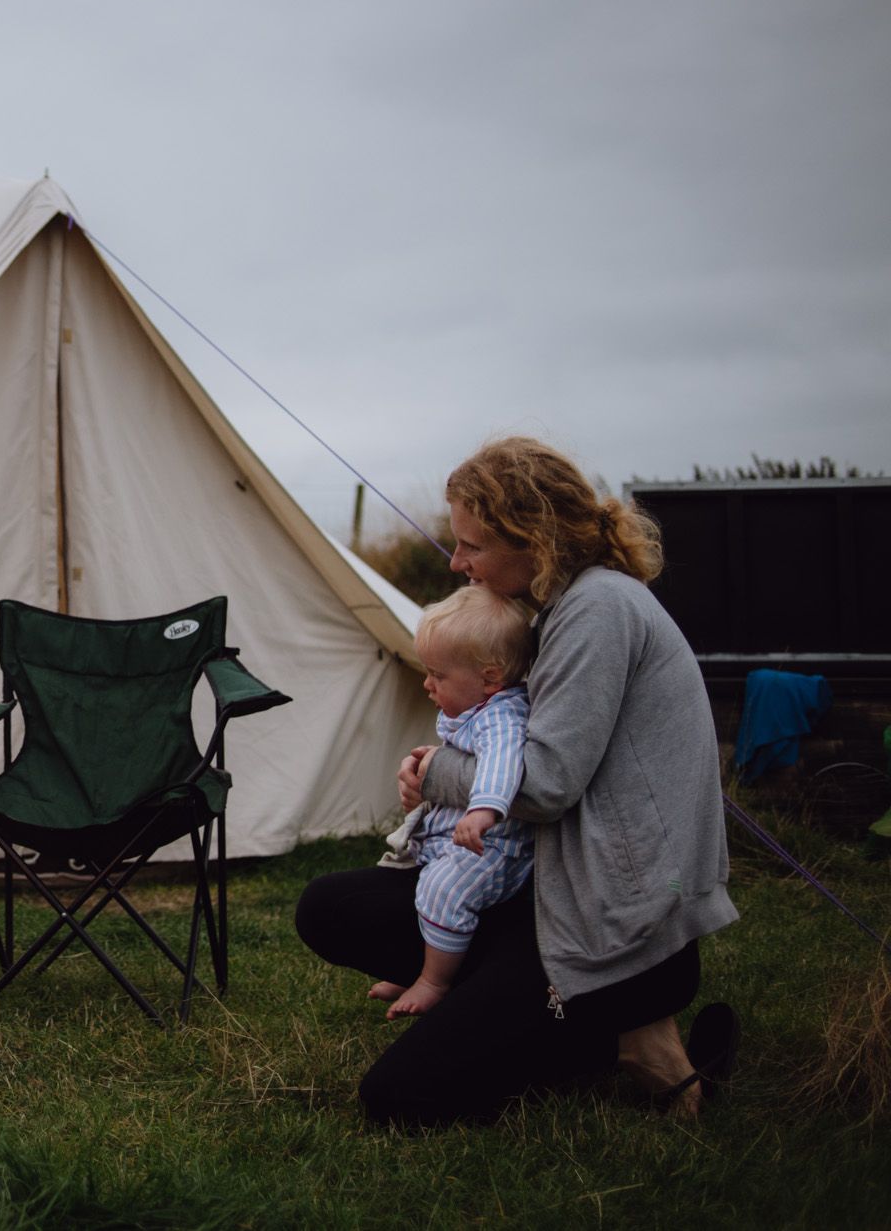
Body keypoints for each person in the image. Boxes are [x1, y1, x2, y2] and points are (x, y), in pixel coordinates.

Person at [294, 436, 740, 1125]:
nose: (457, 560)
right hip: (551, 890)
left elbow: (545, 784)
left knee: (398, 1099)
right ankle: (573, 1024)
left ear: (531, 536)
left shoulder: (597, 611)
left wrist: (438, 771)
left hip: (616, 928)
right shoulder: (563, 606)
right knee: (328, 904)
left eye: (471, 544)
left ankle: (617, 1026)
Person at [369, 585, 537, 1019]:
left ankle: (435, 981)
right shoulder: (478, 707)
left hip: (494, 846)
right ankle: (414, 966)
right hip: (463, 838)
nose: (427, 684)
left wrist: (483, 810)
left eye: (438, 676)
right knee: (418, 885)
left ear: (490, 677)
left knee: (444, 891)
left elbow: (502, 764)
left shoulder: (503, 716)